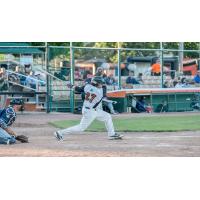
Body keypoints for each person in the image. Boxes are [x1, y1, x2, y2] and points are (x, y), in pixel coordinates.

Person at [54, 76, 123, 140]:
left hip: (93, 110)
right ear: (96, 84)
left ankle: (111, 134)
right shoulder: (100, 91)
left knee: (107, 116)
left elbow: (78, 89)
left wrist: (72, 86)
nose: (102, 84)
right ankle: (59, 133)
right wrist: (74, 87)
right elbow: (104, 88)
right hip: (90, 112)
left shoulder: (87, 87)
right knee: (81, 128)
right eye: (100, 83)